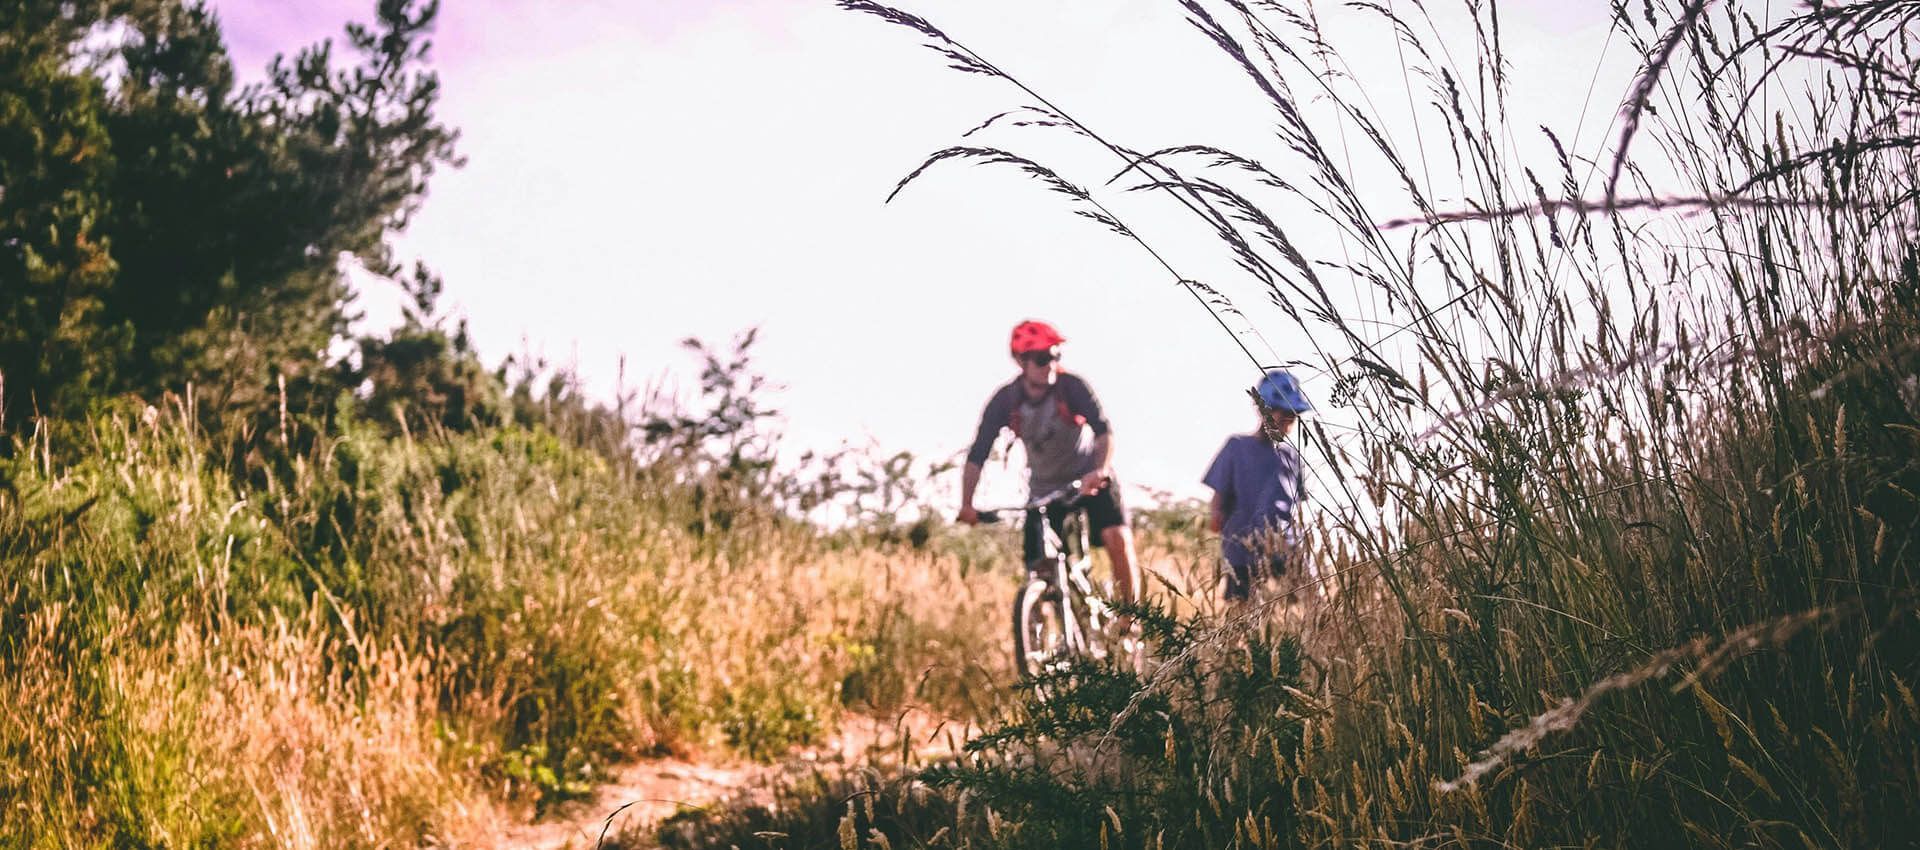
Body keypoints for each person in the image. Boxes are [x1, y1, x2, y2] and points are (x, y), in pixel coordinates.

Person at [957, 320, 1140, 618]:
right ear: (1021, 361)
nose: (1051, 364)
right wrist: (966, 504)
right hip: (1044, 490)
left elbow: (1104, 431)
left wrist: (1100, 470)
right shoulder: (1006, 400)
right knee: (1038, 567)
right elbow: (977, 453)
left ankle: (1130, 620)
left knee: (1117, 538)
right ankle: (1045, 641)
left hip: (1088, 478)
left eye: (1056, 356)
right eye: (1043, 358)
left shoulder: (1072, 387)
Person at [1202, 369, 1311, 602]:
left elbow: (1299, 506)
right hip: (1243, 550)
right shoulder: (1237, 447)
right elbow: (1217, 500)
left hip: (1286, 547)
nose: (1289, 420)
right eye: (1283, 413)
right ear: (1265, 410)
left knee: (1308, 602)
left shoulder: (1292, 457)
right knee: (1242, 610)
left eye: (1293, 415)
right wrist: (1217, 518)